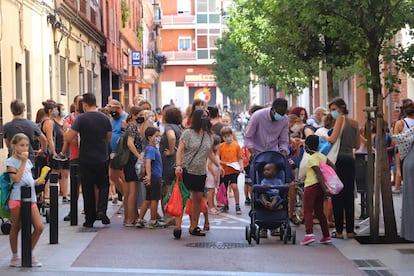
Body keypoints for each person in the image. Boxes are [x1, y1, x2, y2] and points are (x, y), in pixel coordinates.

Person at [244, 98, 300, 224]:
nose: (281, 115)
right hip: (258, 155)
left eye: (284, 112)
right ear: (272, 109)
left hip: (275, 155)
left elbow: (284, 139)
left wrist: (284, 151)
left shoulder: (284, 120)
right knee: (259, 186)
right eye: (279, 112)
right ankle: (261, 217)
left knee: (284, 183)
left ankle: (282, 216)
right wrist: (253, 152)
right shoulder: (258, 116)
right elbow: (248, 137)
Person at [65, 93, 112, 228]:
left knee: (88, 188)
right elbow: (108, 136)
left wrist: (69, 133)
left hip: (85, 158)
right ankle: (102, 210)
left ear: (84, 104)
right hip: (102, 157)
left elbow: (69, 137)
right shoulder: (105, 118)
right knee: (104, 185)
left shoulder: (81, 119)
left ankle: (89, 218)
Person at [174, 109, 222, 239]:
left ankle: (193, 226)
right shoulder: (188, 133)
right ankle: (177, 226)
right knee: (182, 198)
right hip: (186, 169)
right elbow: (180, 150)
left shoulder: (209, 135)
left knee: (197, 200)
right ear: (196, 118)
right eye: (203, 116)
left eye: (207, 116)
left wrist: (218, 165)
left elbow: (209, 153)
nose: (205, 119)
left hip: (200, 172)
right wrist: (178, 165)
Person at [322, 97, 360, 239]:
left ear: (341, 108)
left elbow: (332, 139)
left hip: (337, 161)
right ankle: (350, 231)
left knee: (337, 194)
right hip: (350, 160)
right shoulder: (355, 123)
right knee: (349, 195)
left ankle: (338, 231)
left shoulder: (340, 120)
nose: (332, 113)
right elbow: (357, 145)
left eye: (333, 109)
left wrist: (322, 136)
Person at [7, 133, 44, 267]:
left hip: (31, 198)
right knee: (16, 227)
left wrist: (37, 181)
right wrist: (22, 162)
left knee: (39, 227)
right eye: (22, 145)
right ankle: (15, 256)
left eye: (27, 145)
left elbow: (26, 179)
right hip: (16, 198)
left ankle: (29, 253)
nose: (24, 148)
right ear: (14, 146)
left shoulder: (28, 161)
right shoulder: (11, 162)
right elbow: (16, 179)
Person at [300, 135, 332, 245]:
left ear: (307, 147)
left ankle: (309, 234)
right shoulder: (322, 156)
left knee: (308, 210)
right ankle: (326, 235)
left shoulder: (311, 158)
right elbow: (332, 166)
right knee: (319, 211)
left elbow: (318, 173)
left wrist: (325, 188)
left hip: (311, 186)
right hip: (320, 189)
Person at [136, 126, 164, 229]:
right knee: (154, 199)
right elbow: (148, 162)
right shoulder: (151, 149)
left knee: (148, 198)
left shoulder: (150, 148)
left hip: (153, 176)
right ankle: (153, 220)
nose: (158, 138)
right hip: (154, 176)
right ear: (149, 137)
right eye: (156, 136)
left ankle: (140, 219)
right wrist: (149, 176)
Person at [3, 99, 47, 165]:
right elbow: (44, 140)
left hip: (13, 157)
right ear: (24, 110)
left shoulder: (7, 126)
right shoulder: (31, 124)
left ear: (11, 110)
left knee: (13, 174)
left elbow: (8, 144)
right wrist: (42, 150)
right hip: (28, 157)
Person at [159, 106, 183, 219]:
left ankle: (169, 215)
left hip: (168, 162)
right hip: (177, 161)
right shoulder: (179, 128)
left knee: (167, 188)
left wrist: (171, 150)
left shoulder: (169, 127)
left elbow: (171, 138)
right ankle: (172, 214)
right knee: (173, 188)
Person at [122, 106, 144, 226]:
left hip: (130, 160)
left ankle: (130, 217)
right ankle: (130, 218)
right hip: (132, 161)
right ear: (134, 115)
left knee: (131, 191)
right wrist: (138, 156)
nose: (143, 116)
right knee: (132, 191)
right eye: (141, 114)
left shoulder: (132, 126)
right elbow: (130, 143)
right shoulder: (132, 127)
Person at [218, 126, 244, 214]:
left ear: (232, 135)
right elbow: (217, 158)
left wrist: (241, 166)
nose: (227, 138)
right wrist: (221, 165)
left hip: (234, 170)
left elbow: (240, 158)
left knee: (234, 186)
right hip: (224, 171)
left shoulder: (236, 146)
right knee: (224, 188)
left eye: (229, 136)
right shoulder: (221, 146)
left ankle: (237, 205)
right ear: (222, 138)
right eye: (225, 137)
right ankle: (225, 204)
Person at [399, 101, 414, 241]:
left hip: (408, 160)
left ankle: (410, 232)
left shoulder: (401, 124)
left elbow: (398, 139)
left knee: (410, 197)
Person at [108, 100, 128, 205]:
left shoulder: (125, 118)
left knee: (122, 176)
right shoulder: (113, 119)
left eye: (112, 110)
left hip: (122, 153)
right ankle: (125, 195)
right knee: (113, 176)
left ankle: (127, 199)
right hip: (113, 152)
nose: (111, 113)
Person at [206, 135, 221, 215]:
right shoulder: (211, 154)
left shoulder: (216, 153)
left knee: (213, 190)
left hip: (214, 174)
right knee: (210, 190)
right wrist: (214, 174)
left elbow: (218, 162)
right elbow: (209, 165)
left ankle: (213, 205)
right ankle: (210, 207)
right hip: (211, 174)